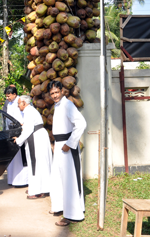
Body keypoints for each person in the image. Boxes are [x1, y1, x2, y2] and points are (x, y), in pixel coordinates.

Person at [47, 80, 87, 226]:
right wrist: (57, 144)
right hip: (59, 146)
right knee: (58, 178)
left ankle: (72, 214)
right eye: (52, 93)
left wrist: (69, 143)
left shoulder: (68, 104)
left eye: (57, 92)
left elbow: (81, 123)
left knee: (69, 180)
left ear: (62, 91)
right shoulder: (58, 106)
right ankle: (59, 206)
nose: (55, 95)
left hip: (67, 147)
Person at [13, 95, 52, 199]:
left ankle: (37, 190)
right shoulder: (30, 111)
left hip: (36, 138)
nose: (18, 106)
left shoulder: (29, 112)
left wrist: (18, 140)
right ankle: (40, 188)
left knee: (36, 164)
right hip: (38, 137)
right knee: (41, 164)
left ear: (24, 103)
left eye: (19, 103)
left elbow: (28, 129)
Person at [5, 86, 29, 188]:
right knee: (13, 156)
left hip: (20, 130)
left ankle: (22, 180)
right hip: (11, 130)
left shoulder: (21, 101)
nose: (7, 98)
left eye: (8, 96)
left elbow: (24, 116)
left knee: (21, 157)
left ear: (14, 94)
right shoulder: (9, 104)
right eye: (6, 96)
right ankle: (13, 179)